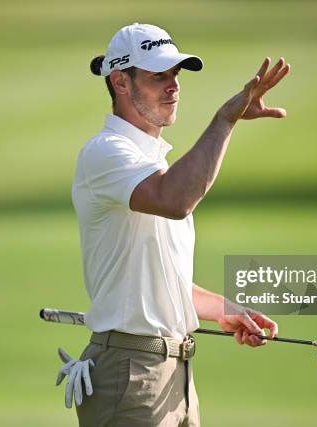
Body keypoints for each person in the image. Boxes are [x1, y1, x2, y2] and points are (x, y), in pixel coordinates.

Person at [60, 22, 290, 426]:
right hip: (130, 376)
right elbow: (176, 200)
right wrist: (226, 118)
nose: (173, 86)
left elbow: (161, 277)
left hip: (174, 377)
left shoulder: (152, 162)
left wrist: (223, 308)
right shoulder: (107, 153)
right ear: (121, 82)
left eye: (175, 74)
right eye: (157, 75)